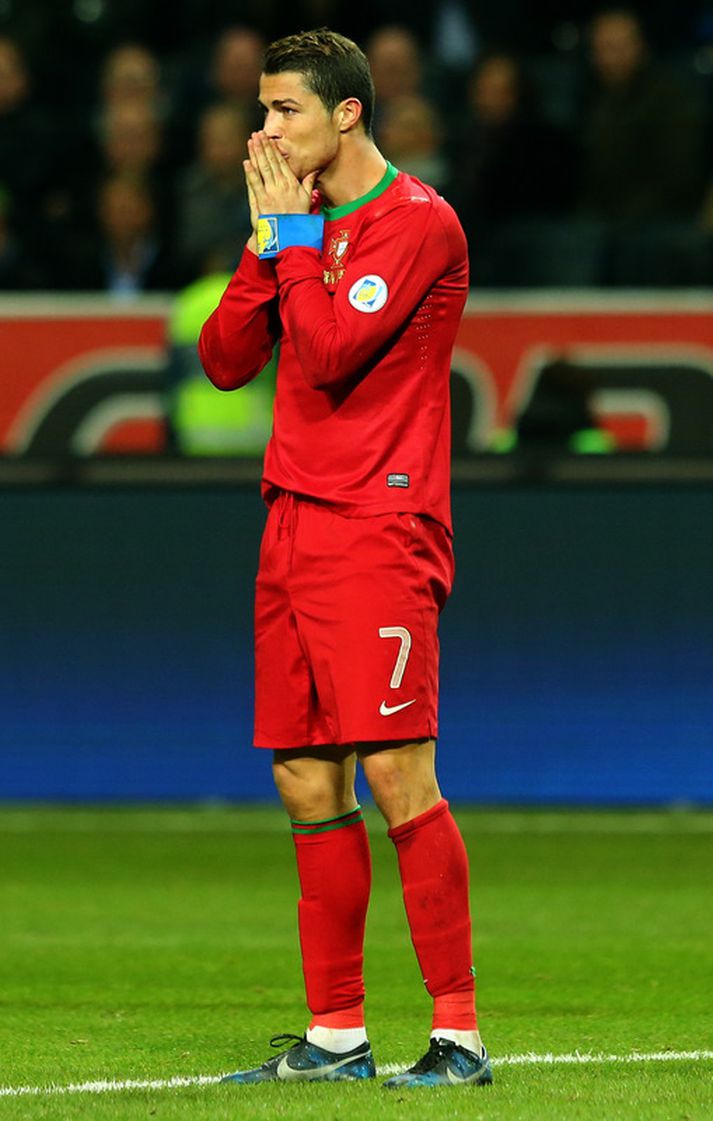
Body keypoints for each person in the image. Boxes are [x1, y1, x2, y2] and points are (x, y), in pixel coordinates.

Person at [199, 27, 492, 1090]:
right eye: (263, 110)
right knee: (302, 772)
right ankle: (335, 1035)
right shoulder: (296, 223)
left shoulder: (416, 223)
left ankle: (457, 1034)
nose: (265, 130)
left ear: (347, 112)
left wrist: (287, 237)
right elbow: (225, 359)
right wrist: (267, 244)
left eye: (284, 109)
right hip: (292, 517)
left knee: (395, 768)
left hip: (379, 521)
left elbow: (325, 352)